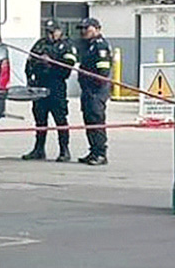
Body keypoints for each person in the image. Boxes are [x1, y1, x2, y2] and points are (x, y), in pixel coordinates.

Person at [22, 19, 78, 161]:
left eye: (52, 32)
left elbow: (68, 66)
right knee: (40, 119)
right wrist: (30, 79)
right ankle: (39, 150)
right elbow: (29, 61)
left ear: (60, 31)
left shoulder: (66, 46)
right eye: (47, 32)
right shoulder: (40, 44)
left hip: (56, 85)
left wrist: (51, 61)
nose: (49, 35)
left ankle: (64, 151)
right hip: (40, 84)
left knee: (60, 119)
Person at [76, 17, 112, 165]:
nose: (84, 32)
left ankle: (100, 154)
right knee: (89, 120)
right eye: (82, 29)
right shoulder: (89, 45)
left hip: (96, 90)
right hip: (88, 89)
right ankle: (93, 151)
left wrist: (94, 86)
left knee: (96, 120)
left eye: (87, 28)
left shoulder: (100, 45)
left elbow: (103, 70)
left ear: (97, 29)